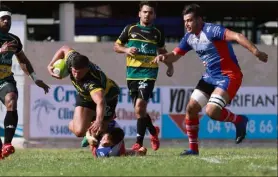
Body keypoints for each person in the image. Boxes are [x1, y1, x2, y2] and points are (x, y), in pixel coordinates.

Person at [151, 4, 268, 155]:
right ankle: (193, 149)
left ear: (200, 20)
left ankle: (239, 120)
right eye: (185, 21)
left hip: (229, 76)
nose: (187, 24)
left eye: (190, 20)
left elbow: (237, 36)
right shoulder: (189, 37)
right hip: (210, 77)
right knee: (191, 109)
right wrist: (164, 57)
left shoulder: (212, 30)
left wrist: (256, 52)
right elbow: (175, 55)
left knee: (212, 111)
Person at [0, 5, 50, 160]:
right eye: (3, 18)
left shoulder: (14, 40)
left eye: (9, 18)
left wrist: (35, 78)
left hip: (5, 79)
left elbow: (22, 60)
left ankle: (8, 144)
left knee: (12, 100)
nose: (7, 21)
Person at [113, 1, 171, 151]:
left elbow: (162, 51)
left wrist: (170, 65)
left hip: (149, 72)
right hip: (132, 74)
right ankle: (153, 131)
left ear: (154, 15)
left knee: (140, 106)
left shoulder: (157, 32)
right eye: (145, 12)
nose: (147, 15)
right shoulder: (130, 29)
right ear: (139, 13)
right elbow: (116, 46)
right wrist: (126, 50)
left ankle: (138, 142)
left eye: (150, 12)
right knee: (140, 111)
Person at [47, 45, 120, 141]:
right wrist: (50, 65)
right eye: (74, 71)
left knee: (100, 130)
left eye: (79, 72)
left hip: (108, 96)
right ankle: (87, 127)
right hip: (85, 96)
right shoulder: (72, 60)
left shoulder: (92, 82)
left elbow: (100, 102)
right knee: (79, 132)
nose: (76, 75)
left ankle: (103, 124)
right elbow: (64, 48)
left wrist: (98, 120)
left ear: (87, 69)